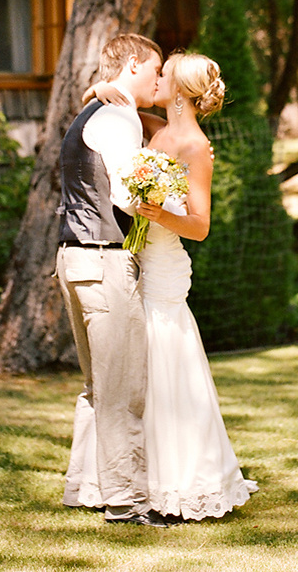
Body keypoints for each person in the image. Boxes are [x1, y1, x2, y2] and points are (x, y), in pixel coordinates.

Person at [89, 51, 258, 521]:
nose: (156, 80)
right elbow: (116, 110)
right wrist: (97, 91)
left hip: (164, 267)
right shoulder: (156, 129)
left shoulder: (194, 147)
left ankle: (180, 483)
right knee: (140, 364)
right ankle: (136, 479)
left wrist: (157, 214)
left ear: (181, 91)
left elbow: (201, 225)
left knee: (166, 360)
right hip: (139, 259)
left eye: (163, 76)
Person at [55, 33, 167, 527]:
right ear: (136, 65)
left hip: (73, 258)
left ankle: (85, 486)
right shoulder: (118, 116)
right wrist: (169, 205)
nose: (158, 79)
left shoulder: (94, 111)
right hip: (102, 259)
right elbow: (126, 195)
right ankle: (127, 501)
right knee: (123, 386)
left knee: (97, 384)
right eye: (156, 69)